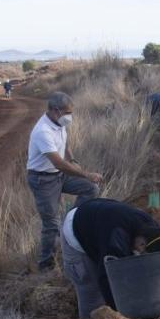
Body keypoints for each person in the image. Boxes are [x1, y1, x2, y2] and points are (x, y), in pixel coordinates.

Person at [60, 198, 160, 318]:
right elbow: (105, 277)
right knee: (92, 293)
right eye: (142, 252)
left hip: (101, 221)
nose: (140, 254)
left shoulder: (156, 231)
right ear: (141, 243)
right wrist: (120, 316)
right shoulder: (116, 240)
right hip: (75, 231)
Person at [26, 92, 102, 271]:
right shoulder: (42, 131)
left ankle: (72, 223)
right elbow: (59, 163)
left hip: (59, 175)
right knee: (51, 224)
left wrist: (73, 159)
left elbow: (65, 144)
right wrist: (86, 174)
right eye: (67, 112)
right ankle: (46, 264)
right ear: (55, 110)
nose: (70, 117)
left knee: (90, 189)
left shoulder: (58, 123)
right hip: (42, 180)